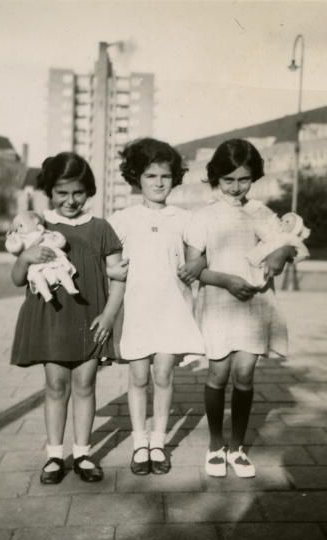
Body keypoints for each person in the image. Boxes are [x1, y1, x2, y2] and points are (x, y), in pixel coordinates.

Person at [181, 138, 296, 478]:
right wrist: (228, 281)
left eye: (243, 179)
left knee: (244, 374)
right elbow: (194, 268)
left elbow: (286, 246)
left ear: (254, 178)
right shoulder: (203, 217)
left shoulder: (261, 213)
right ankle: (215, 445)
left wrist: (279, 254)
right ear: (215, 177)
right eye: (228, 179)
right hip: (219, 301)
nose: (235, 187)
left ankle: (237, 447)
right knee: (218, 373)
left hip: (255, 304)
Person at [10, 152, 124, 484]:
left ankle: (84, 453)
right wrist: (26, 257)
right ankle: (55, 456)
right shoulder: (36, 227)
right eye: (62, 193)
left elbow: (118, 277)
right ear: (49, 191)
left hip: (91, 319)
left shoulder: (101, 228)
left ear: (88, 191)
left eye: (78, 192)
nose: (71, 200)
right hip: (51, 320)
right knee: (56, 386)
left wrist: (109, 315)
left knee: (85, 385)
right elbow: (18, 278)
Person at [108, 137, 204, 476]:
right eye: (150, 176)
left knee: (163, 374)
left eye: (165, 176)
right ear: (137, 178)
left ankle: (159, 443)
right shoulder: (122, 219)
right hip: (135, 310)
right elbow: (106, 259)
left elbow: (198, 256)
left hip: (172, 309)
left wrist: (195, 265)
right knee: (137, 375)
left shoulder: (184, 218)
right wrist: (109, 268)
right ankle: (139, 443)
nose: (159, 183)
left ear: (175, 178)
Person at [5, 211, 79, 302]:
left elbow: (61, 243)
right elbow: (14, 248)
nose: (18, 230)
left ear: (36, 223)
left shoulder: (47, 233)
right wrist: (12, 239)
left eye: (20, 226)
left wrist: (56, 237)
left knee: (62, 272)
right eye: (16, 228)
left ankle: (70, 287)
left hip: (53, 260)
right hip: (36, 266)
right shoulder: (22, 238)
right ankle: (47, 294)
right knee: (37, 277)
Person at [245, 210, 310, 288]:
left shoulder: (289, 237)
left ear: (294, 230)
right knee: (252, 270)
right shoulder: (276, 232)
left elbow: (303, 251)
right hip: (259, 255)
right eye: (281, 219)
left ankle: (256, 283)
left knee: (258, 274)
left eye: (287, 222)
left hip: (264, 259)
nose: (281, 222)